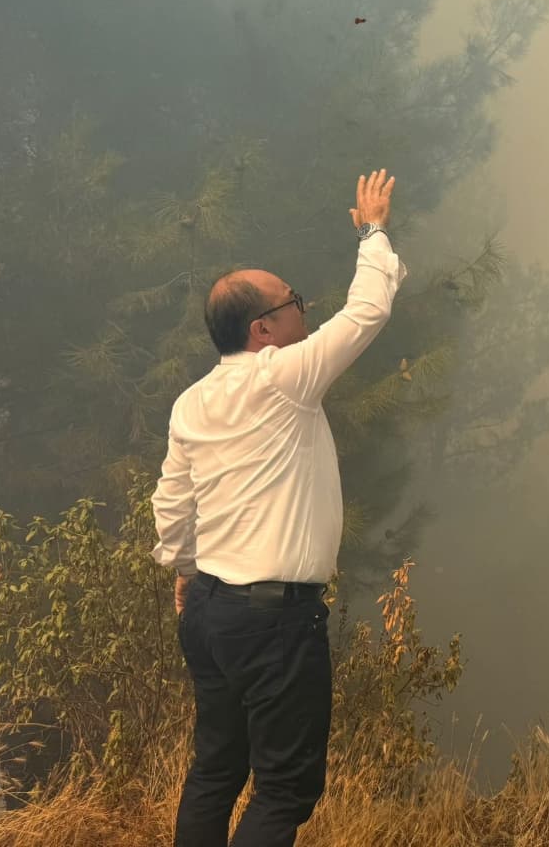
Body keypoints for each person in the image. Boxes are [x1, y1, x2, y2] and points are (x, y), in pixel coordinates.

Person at [151, 169, 402, 847]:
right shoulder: (285, 378)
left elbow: (173, 501)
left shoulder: (193, 401)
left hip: (210, 609)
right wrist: (373, 232)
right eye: (295, 302)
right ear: (264, 329)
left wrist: (181, 567)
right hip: (274, 621)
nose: (305, 310)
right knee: (285, 789)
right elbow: (368, 311)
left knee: (215, 771)